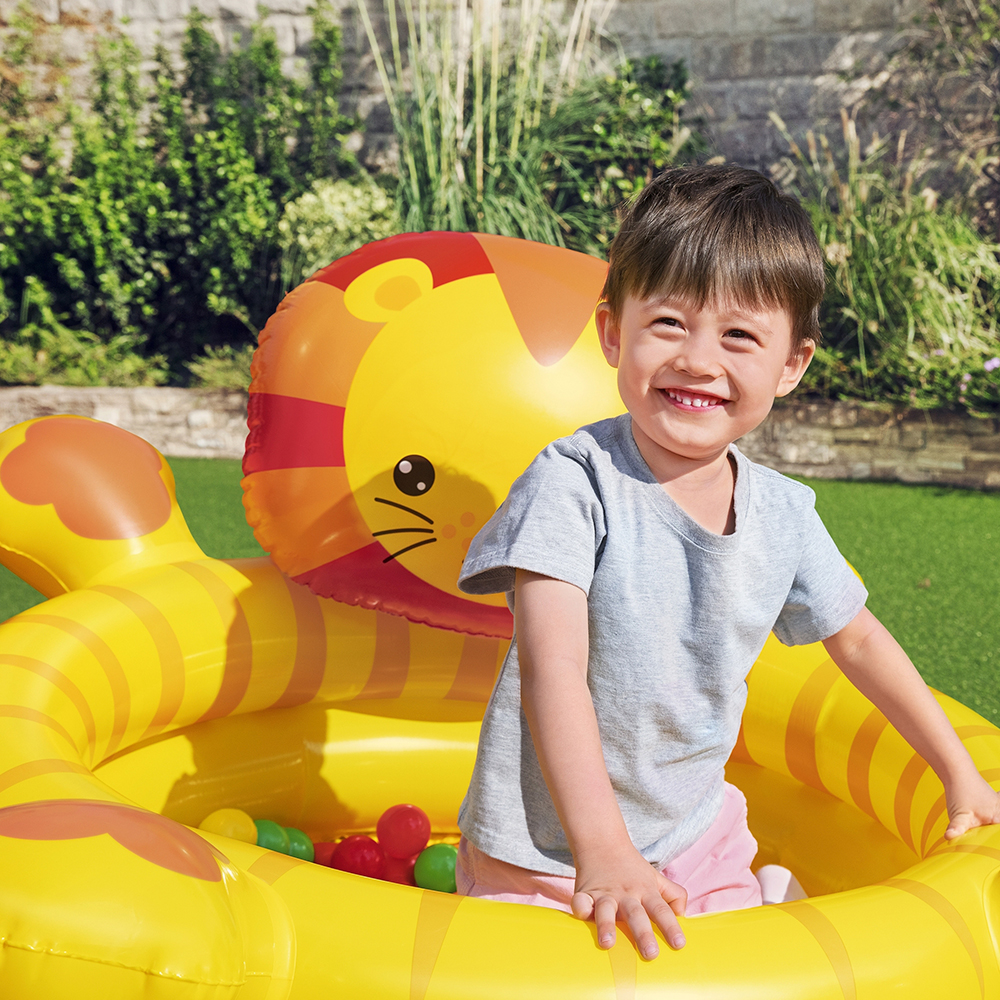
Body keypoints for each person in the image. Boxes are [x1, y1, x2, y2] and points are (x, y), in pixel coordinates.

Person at [454, 165, 1000, 961]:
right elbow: (552, 666)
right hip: (545, 852)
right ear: (613, 334)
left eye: (739, 336)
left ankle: (763, 895)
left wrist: (960, 772)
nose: (698, 360)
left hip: (694, 837)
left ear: (792, 364)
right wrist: (605, 852)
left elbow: (859, 639)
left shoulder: (783, 514)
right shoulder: (574, 484)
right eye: (668, 323)